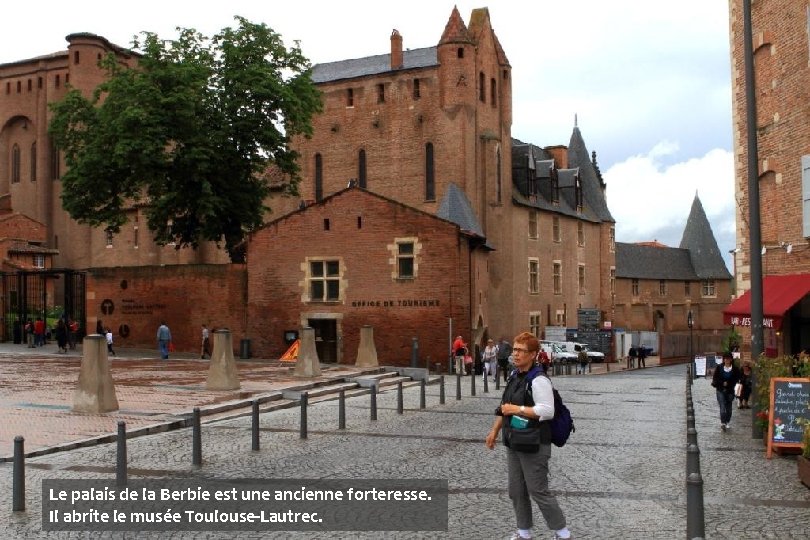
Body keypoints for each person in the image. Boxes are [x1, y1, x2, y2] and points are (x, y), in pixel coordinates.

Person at [485, 332, 571, 540]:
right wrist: (495, 430)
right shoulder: (515, 375)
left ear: (533, 354)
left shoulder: (539, 379)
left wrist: (518, 409)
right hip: (514, 440)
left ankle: (563, 533)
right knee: (516, 490)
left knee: (538, 490)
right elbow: (504, 408)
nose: (515, 354)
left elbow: (547, 411)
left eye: (521, 350)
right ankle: (524, 532)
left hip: (535, 443)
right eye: (514, 349)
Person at [711, 351, 741, 431]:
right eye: (725, 359)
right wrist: (722, 383)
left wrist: (729, 383)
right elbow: (715, 378)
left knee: (729, 408)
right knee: (722, 406)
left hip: (730, 390)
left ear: (731, 359)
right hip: (720, 389)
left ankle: (727, 421)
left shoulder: (735, 369)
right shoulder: (719, 367)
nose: (727, 360)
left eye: (728, 359)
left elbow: (737, 379)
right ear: (723, 360)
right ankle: (723, 423)